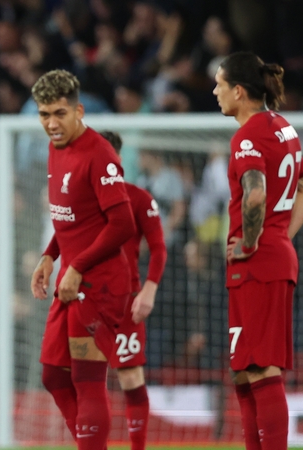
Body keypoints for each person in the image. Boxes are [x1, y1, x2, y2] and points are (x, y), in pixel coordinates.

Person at [212, 52, 303, 450]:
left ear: (238, 92)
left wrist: (254, 241)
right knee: (243, 371)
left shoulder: (247, 136)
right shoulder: (282, 128)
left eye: (220, 85)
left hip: (256, 264)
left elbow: (254, 196)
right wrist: (280, 236)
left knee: (260, 370)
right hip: (272, 258)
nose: (214, 92)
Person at [29, 69, 136, 450]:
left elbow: (122, 223)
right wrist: (49, 256)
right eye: (44, 115)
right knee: (52, 376)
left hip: (100, 281)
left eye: (60, 113)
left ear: (79, 110)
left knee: (86, 378)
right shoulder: (55, 148)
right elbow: (72, 216)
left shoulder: (98, 154)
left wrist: (75, 267)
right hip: (72, 279)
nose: (52, 124)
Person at [100, 130, 167, 448]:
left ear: (118, 157)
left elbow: (158, 248)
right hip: (88, 302)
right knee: (85, 380)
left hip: (127, 301)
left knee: (129, 377)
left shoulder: (139, 198)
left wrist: (149, 290)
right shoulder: (80, 202)